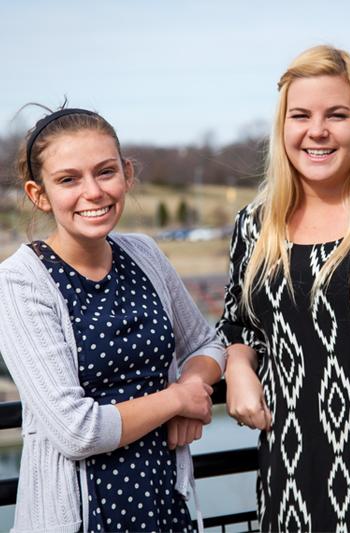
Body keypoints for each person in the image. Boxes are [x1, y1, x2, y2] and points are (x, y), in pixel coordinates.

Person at [0, 107, 226, 532]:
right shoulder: (20, 282)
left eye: (105, 172)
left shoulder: (143, 253)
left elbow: (207, 343)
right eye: (69, 179)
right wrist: (176, 402)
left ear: (127, 174)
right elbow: (76, 430)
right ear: (38, 194)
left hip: (163, 508)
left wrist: (192, 383)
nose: (93, 192)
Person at [216, 45, 350, 532]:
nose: (317, 131)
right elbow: (238, 321)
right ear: (283, 127)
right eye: (301, 115)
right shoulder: (256, 225)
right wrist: (236, 365)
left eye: (337, 114)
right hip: (288, 475)